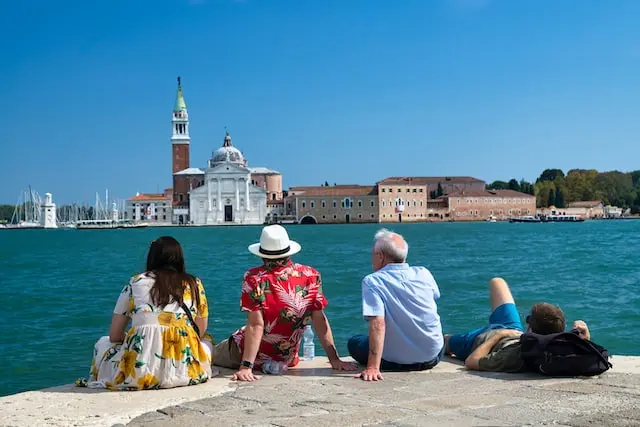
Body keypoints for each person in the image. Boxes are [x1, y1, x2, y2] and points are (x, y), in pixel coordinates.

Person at [213, 224, 357, 381]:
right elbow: (319, 320)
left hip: (244, 353)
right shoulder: (311, 275)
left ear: (262, 253)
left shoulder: (254, 278)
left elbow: (256, 325)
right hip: (287, 358)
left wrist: (246, 367)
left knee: (206, 352)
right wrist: (334, 360)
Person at [80, 236, 215, 390]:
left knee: (103, 343)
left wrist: (137, 337)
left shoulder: (135, 282)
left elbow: (114, 335)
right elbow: (201, 330)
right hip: (186, 372)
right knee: (207, 342)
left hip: (139, 374)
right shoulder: (194, 284)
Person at [348, 228, 445, 382]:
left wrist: (373, 367)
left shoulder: (373, 281)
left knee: (354, 342)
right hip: (432, 357)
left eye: (372, 254)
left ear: (380, 257)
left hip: (395, 362)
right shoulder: (424, 273)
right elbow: (434, 298)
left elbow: (378, 323)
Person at [445, 277, 591, 372]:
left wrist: (500, 335)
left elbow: (471, 362)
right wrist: (585, 337)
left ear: (530, 328)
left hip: (481, 339)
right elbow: (584, 354)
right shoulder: (561, 346)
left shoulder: (513, 356)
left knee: (444, 341)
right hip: (512, 329)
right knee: (498, 282)